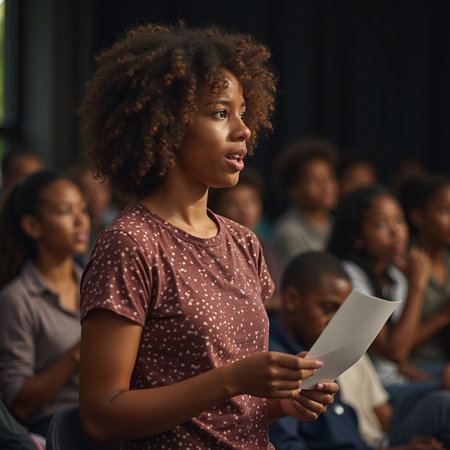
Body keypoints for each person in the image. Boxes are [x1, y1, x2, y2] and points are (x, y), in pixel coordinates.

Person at [77, 22, 338, 449]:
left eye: (242, 112)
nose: (244, 129)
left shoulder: (243, 241)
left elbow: (230, 412)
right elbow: (102, 415)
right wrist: (231, 379)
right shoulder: (131, 242)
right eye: (221, 113)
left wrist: (283, 403)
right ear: (167, 125)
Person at [269, 251, 447, 449]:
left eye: (343, 311)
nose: (337, 320)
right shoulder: (278, 362)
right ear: (292, 299)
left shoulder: (318, 347)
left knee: (441, 406)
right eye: (328, 308)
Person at [327, 185, 447, 405]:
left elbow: (401, 359)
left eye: (399, 220)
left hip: (397, 378)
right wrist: (418, 286)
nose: (396, 231)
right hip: (373, 392)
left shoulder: (394, 275)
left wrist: (432, 381)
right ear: (358, 237)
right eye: (380, 224)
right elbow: (394, 351)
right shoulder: (350, 277)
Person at [0, 170, 90, 436]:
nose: (80, 221)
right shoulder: (17, 300)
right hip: (57, 430)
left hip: (107, 421)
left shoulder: (95, 283)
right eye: (64, 211)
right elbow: (18, 404)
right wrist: (78, 352)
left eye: (82, 209)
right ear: (33, 226)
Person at [208, 166, 283, 314]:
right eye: (233, 203)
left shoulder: (262, 244)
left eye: (251, 201)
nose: (245, 210)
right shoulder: (217, 250)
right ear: (216, 209)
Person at [399, 173, 450, 374]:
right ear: (418, 217)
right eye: (445, 210)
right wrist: (441, 317)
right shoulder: (402, 262)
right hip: (414, 367)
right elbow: (394, 347)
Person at [271, 137, 339, 268]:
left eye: (329, 177)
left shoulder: (334, 223)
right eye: (315, 180)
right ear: (294, 191)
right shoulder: (289, 233)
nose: (326, 186)